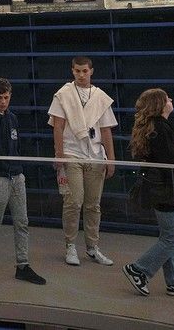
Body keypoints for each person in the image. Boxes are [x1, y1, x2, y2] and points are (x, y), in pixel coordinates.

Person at [122, 89, 174, 298]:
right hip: (165, 189)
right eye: (167, 98)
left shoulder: (157, 127)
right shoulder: (160, 128)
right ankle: (139, 269)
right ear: (159, 104)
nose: (171, 100)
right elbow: (170, 163)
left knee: (170, 236)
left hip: (160, 189)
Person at [0, 78, 46, 284]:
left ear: (10, 96)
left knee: (22, 221)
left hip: (16, 176)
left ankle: (22, 264)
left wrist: (19, 171)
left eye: (6, 98)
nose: (3, 102)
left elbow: (17, 146)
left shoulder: (13, 118)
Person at [49, 57, 117, 268]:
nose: (81, 74)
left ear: (91, 71)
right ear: (72, 71)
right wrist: (59, 156)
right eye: (77, 70)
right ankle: (70, 245)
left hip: (95, 155)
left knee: (93, 204)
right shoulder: (64, 94)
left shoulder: (100, 97)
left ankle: (92, 247)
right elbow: (57, 127)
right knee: (73, 201)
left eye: (84, 71)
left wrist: (111, 160)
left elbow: (106, 130)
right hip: (71, 153)